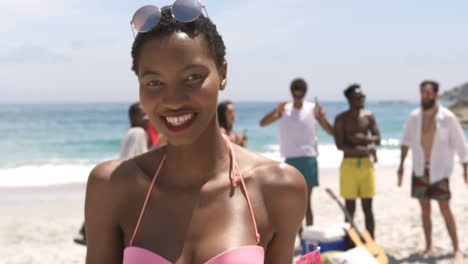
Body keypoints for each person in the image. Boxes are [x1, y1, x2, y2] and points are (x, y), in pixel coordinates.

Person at [85, 3, 307, 264]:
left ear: (222, 73)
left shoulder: (279, 188)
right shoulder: (112, 187)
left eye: (192, 77)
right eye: (154, 82)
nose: (173, 100)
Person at [397, 80, 467, 262]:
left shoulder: (448, 117)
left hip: (440, 171)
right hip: (420, 169)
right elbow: (405, 142)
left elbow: (461, 145)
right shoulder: (414, 117)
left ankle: (457, 248)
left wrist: (465, 168)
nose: (424, 96)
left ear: (436, 95)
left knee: (445, 209)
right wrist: (401, 166)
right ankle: (428, 247)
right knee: (424, 209)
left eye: (428, 93)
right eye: (422, 93)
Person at [259, 78, 333, 231]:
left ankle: (309, 236)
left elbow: (330, 131)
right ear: (292, 93)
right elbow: (263, 123)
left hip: (309, 158)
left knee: (306, 203)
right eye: (295, 95)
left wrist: (322, 117)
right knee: (293, 204)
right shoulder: (285, 109)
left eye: (300, 95)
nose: (298, 98)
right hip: (291, 159)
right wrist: (276, 111)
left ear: (305, 94)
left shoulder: (313, 108)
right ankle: (298, 236)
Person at [74, 102, 150, 245]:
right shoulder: (138, 132)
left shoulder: (131, 131)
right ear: (134, 117)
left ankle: (88, 234)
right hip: (129, 178)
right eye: (143, 115)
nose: (147, 118)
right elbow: (139, 157)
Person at [333, 84, 380, 239]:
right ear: (350, 99)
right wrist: (364, 148)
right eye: (358, 97)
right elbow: (340, 145)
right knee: (350, 207)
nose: (361, 100)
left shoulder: (368, 116)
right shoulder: (341, 119)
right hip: (349, 165)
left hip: (366, 164)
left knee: (368, 206)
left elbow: (377, 138)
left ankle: (371, 240)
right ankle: (350, 241)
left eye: (362, 97)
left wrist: (363, 139)